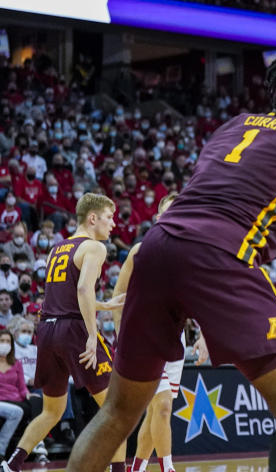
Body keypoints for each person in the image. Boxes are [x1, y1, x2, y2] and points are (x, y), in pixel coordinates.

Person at [64, 51, 276, 472]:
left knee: (118, 413)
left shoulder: (231, 127)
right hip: (218, 256)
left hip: (159, 246)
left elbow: (223, 202)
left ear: (270, 93)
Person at [2, 194, 125, 472]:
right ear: (92, 218)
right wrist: (93, 336)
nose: (113, 224)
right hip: (74, 330)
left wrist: (105, 303)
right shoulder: (94, 247)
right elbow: (82, 290)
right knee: (117, 411)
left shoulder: (58, 248)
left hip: (47, 330)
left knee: (52, 411)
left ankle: (12, 465)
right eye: (109, 217)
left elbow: (63, 296)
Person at [112, 192, 179, 472]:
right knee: (162, 407)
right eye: (167, 211)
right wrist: (122, 337)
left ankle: (136, 468)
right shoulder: (140, 250)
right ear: (158, 217)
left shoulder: (191, 252)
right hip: (145, 337)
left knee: (157, 411)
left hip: (177, 337)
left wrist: (204, 336)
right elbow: (118, 297)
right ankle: (168, 468)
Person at [0, 330, 29, 458]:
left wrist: (28, 395)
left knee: (36, 402)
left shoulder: (17, 363)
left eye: (8, 341)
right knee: (17, 412)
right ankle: (1, 451)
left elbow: (22, 388)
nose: (5, 344)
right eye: (2, 341)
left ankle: (39, 443)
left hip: (15, 400)